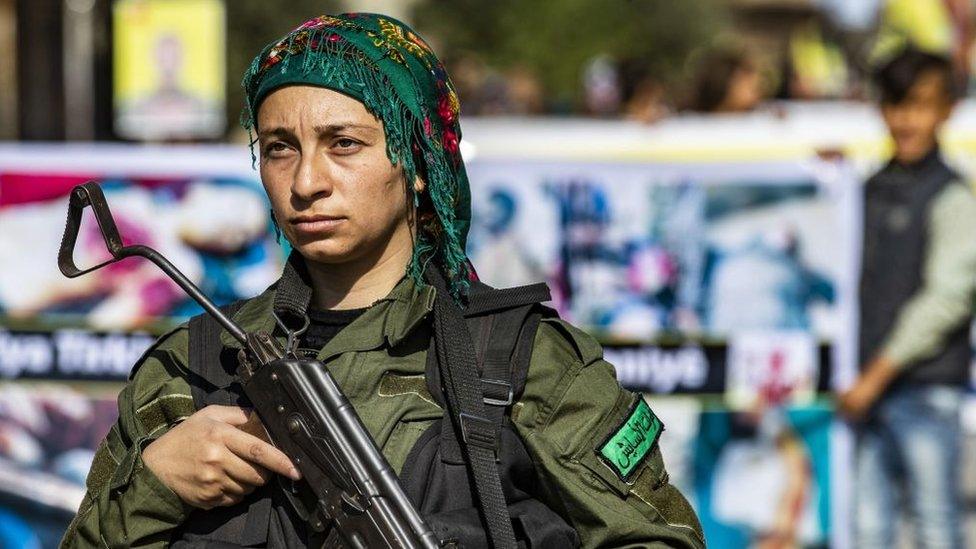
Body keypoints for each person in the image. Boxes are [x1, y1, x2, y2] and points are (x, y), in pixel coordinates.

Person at [60, 13, 704, 548]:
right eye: (280, 146)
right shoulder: (190, 369)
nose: (306, 182)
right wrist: (156, 485)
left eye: (344, 144)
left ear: (417, 163)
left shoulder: (522, 362)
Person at [839, 46, 976, 549]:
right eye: (897, 104)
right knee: (868, 530)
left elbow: (947, 300)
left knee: (936, 526)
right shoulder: (866, 189)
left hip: (922, 391)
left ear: (946, 109)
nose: (906, 119)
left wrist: (874, 376)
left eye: (920, 104)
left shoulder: (954, 196)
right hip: (865, 394)